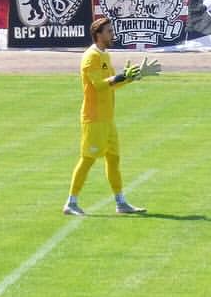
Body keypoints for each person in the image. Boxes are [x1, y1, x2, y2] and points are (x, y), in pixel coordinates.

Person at [64, 16, 156, 217]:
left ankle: (120, 202)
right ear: (98, 34)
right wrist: (123, 75)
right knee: (88, 159)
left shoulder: (104, 55)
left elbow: (112, 83)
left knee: (113, 159)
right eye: (109, 31)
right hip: (94, 118)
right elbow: (98, 84)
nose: (112, 34)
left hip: (107, 119)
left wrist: (134, 76)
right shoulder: (91, 57)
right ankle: (71, 202)